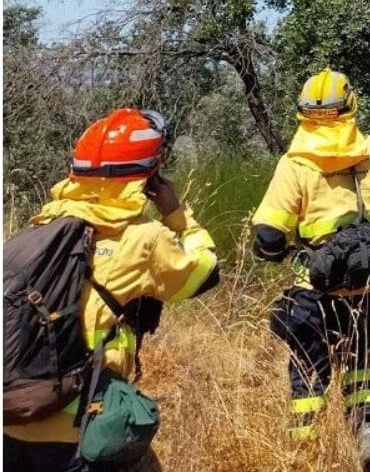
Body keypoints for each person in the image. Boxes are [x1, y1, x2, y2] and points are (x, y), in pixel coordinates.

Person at [3, 109, 220, 471]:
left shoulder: (40, 231)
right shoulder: (144, 239)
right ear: (149, 176)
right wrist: (177, 214)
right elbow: (205, 273)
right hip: (82, 424)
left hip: (13, 417)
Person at [251, 69, 370, 470]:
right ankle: (367, 429)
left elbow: (269, 235)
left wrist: (281, 250)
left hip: (319, 290)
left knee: (308, 371)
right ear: (351, 107)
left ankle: (303, 448)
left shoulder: (296, 164)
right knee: (359, 358)